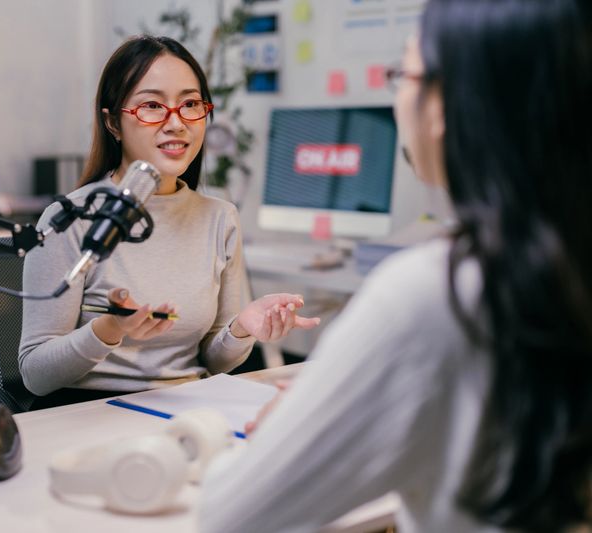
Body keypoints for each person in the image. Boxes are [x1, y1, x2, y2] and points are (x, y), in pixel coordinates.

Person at [200, 0, 592, 532]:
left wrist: (288, 429)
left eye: (402, 72)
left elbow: (233, 518)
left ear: (447, 105)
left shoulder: (436, 292)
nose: (396, 94)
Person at [19, 35, 319, 409]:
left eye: (190, 104)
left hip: (188, 408)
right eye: (152, 106)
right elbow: (35, 373)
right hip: (89, 414)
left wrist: (242, 326)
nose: (176, 123)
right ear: (113, 122)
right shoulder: (73, 219)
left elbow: (212, 359)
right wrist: (108, 330)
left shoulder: (219, 218)